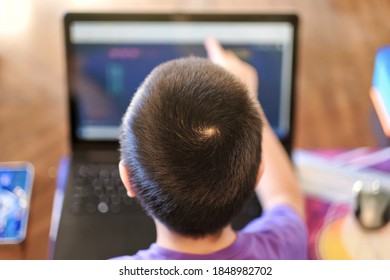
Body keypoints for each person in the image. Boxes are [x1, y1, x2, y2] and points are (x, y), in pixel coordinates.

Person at [114, 38, 308, 260]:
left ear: (128, 178)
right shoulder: (282, 248)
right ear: (257, 176)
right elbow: (285, 197)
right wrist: (250, 99)